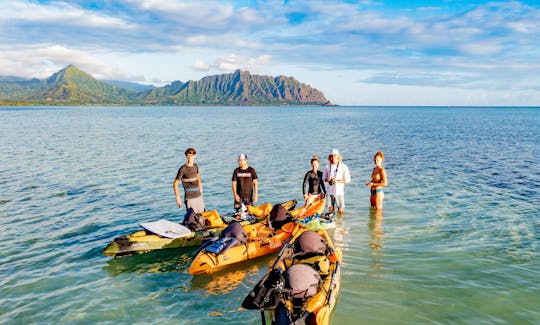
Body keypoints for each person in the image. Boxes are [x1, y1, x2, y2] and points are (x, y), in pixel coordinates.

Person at [173, 148, 205, 214]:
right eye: (188, 156)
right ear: (186, 156)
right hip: (189, 198)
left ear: (195, 156)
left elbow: (198, 177)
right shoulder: (183, 169)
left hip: (199, 196)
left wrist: (200, 187)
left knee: (202, 216)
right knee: (191, 217)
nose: (190, 157)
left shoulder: (195, 166)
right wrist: (178, 198)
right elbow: (175, 184)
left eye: (192, 155)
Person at [323, 149, 351, 214]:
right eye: (331, 156)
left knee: (340, 210)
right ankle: (332, 223)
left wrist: (338, 180)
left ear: (338, 156)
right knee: (330, 210)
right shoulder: (327, 166)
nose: (333, 158)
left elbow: (348, 179)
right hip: (330, 192)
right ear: (330, 157)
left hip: (339, 192)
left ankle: (340, 223)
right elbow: (323, 178)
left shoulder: (343, 166)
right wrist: (328, 179)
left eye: (335, 156)